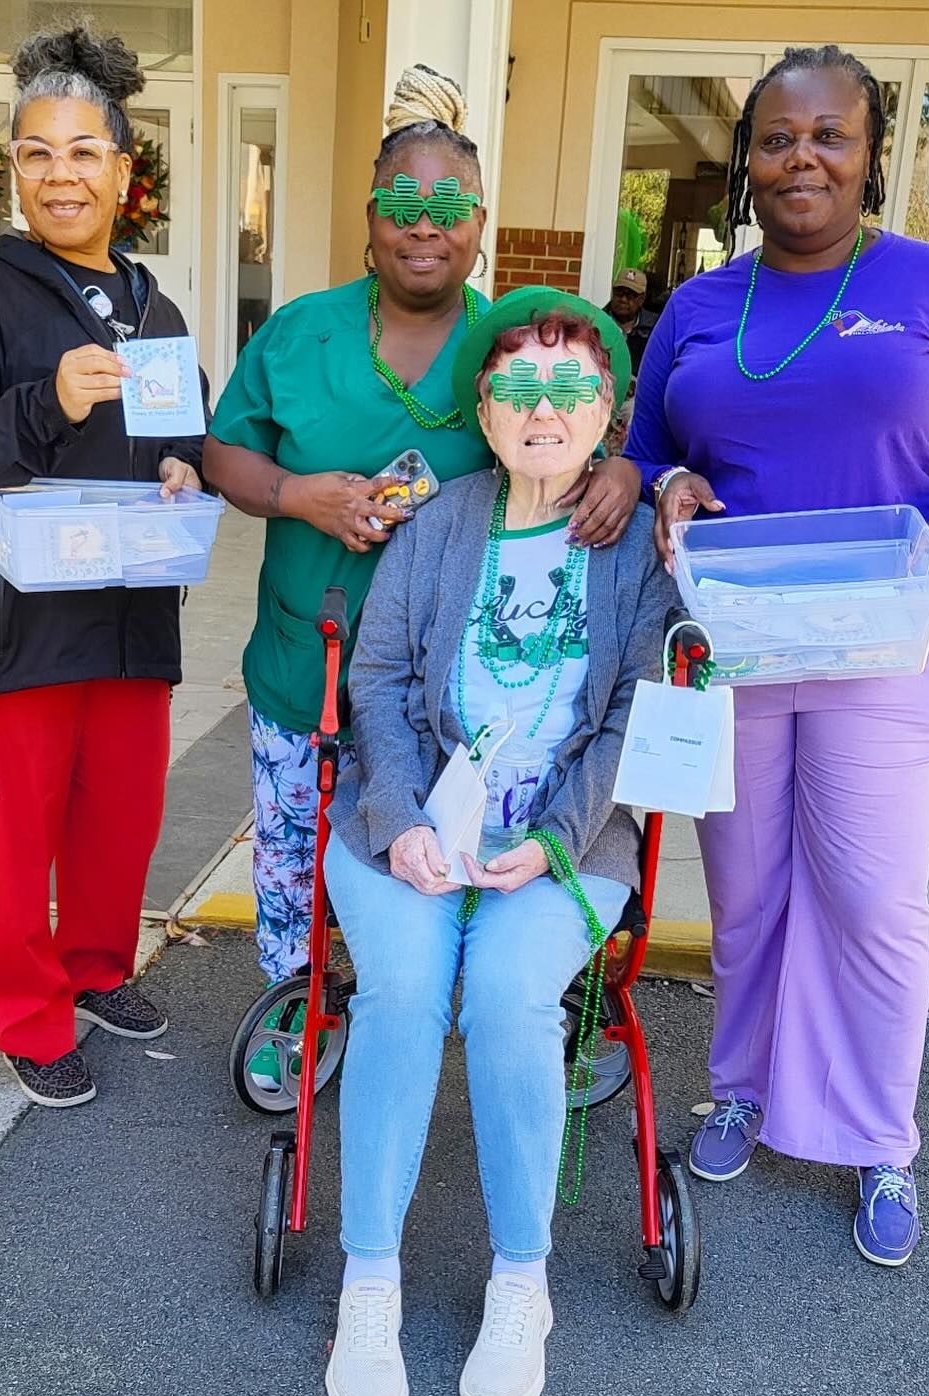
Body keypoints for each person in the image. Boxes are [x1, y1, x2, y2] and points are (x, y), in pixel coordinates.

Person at [626, 45, 929, 1266]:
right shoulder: (705, 306)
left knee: (869, 897)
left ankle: (879, 1137)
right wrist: (666, 482)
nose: (800, 157)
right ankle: (743, 1085)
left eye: (829, 137)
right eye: (776, 139)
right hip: (740, 640)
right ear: (748, 163)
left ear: (870, 158)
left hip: (888, 639)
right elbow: (646, 443)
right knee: (749, 895)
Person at [202, 65, 645, 1019]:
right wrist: (294, 495)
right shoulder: (299, 334)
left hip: (461, 690)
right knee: (295, 857)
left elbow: (582, 424)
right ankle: (299, 1010)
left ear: (481, 222)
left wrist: (626, 469)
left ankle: (445, 1008)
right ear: (369, 215)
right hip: (310, 664)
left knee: (436, 862)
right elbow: (221, 449)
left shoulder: (512, 344)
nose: (424, 224)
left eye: (449, 206)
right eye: (402, 203)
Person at [318, 287, 671, 1396]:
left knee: (513, 998)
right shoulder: (440, 520)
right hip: (407, 824)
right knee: (407, 991)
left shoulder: (631, 550)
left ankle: (524, 1279)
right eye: (518, 386)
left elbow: (633, 720)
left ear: (609, 409)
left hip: (559, 843)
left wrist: (556, 841)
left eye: (570, 387)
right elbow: (373, 680)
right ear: (483, 406)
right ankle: (370, 1277)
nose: (543, 408)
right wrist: (402, 816)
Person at [0, 25, 208, 1108]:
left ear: (125, 170)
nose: (60, 174)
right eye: (36, 153)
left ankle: (97, 970)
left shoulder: (151, 306)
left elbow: (183, 432)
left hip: (124, 619)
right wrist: (46, 401)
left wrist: (181, 465)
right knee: (16, 839)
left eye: (83, 153)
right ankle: (29, 1015)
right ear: (13, 167)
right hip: (9, 626)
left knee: (118, 821)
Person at [603, 266, 656, 374]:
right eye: (619, 293)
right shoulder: (598, 323)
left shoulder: (654, 328)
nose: (623, 299)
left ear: (641, 299)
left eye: (630, 295)